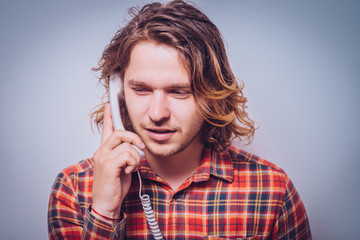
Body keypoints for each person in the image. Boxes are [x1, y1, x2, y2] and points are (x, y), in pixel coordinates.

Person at [48, 0, 312, 239]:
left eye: (179, 92)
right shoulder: (74, 189)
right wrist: (104, 212)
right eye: (141, 89)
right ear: (118, 92)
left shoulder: (272, 190)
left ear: (212, 94)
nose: (157, 113)